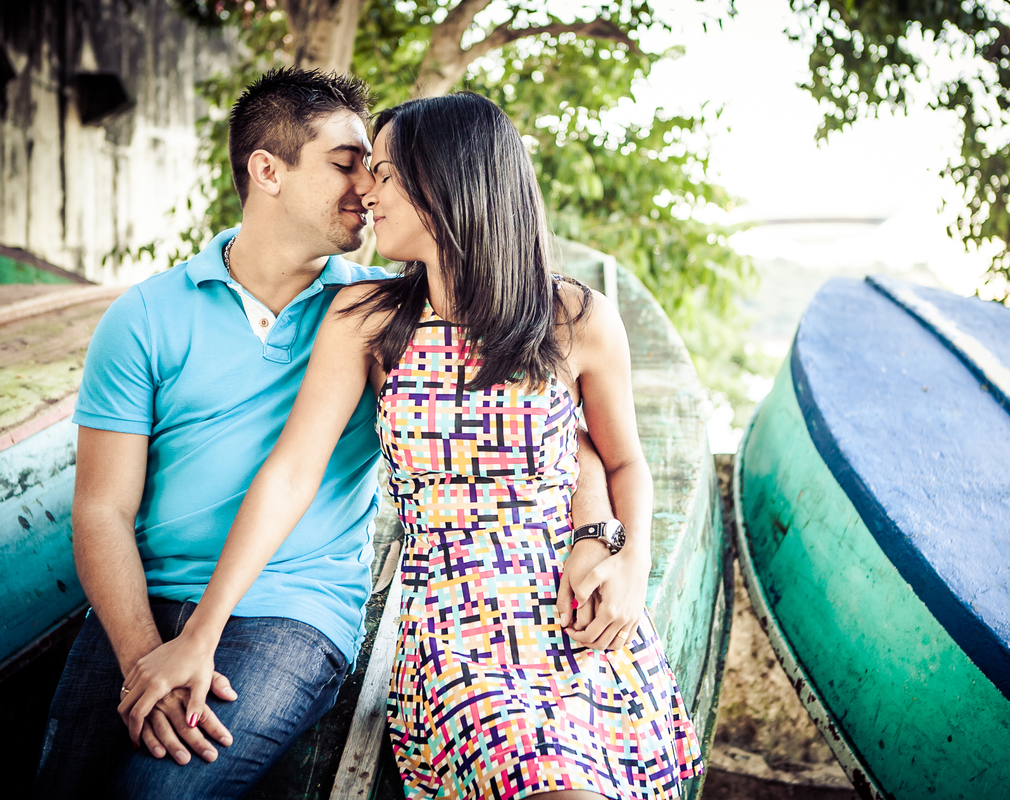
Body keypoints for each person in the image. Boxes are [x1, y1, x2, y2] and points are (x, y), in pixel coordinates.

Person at [33, 68, 616, 800]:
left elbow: (537, 417)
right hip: (146, 597)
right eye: (348, 163)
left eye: (377, 170)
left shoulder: (375, 312)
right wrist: (147, 653)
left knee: (155, 792)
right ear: (268, 171)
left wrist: (599, 529)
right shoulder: (148, 315)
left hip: (292, 606)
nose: (366, 187)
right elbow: (100, 510)